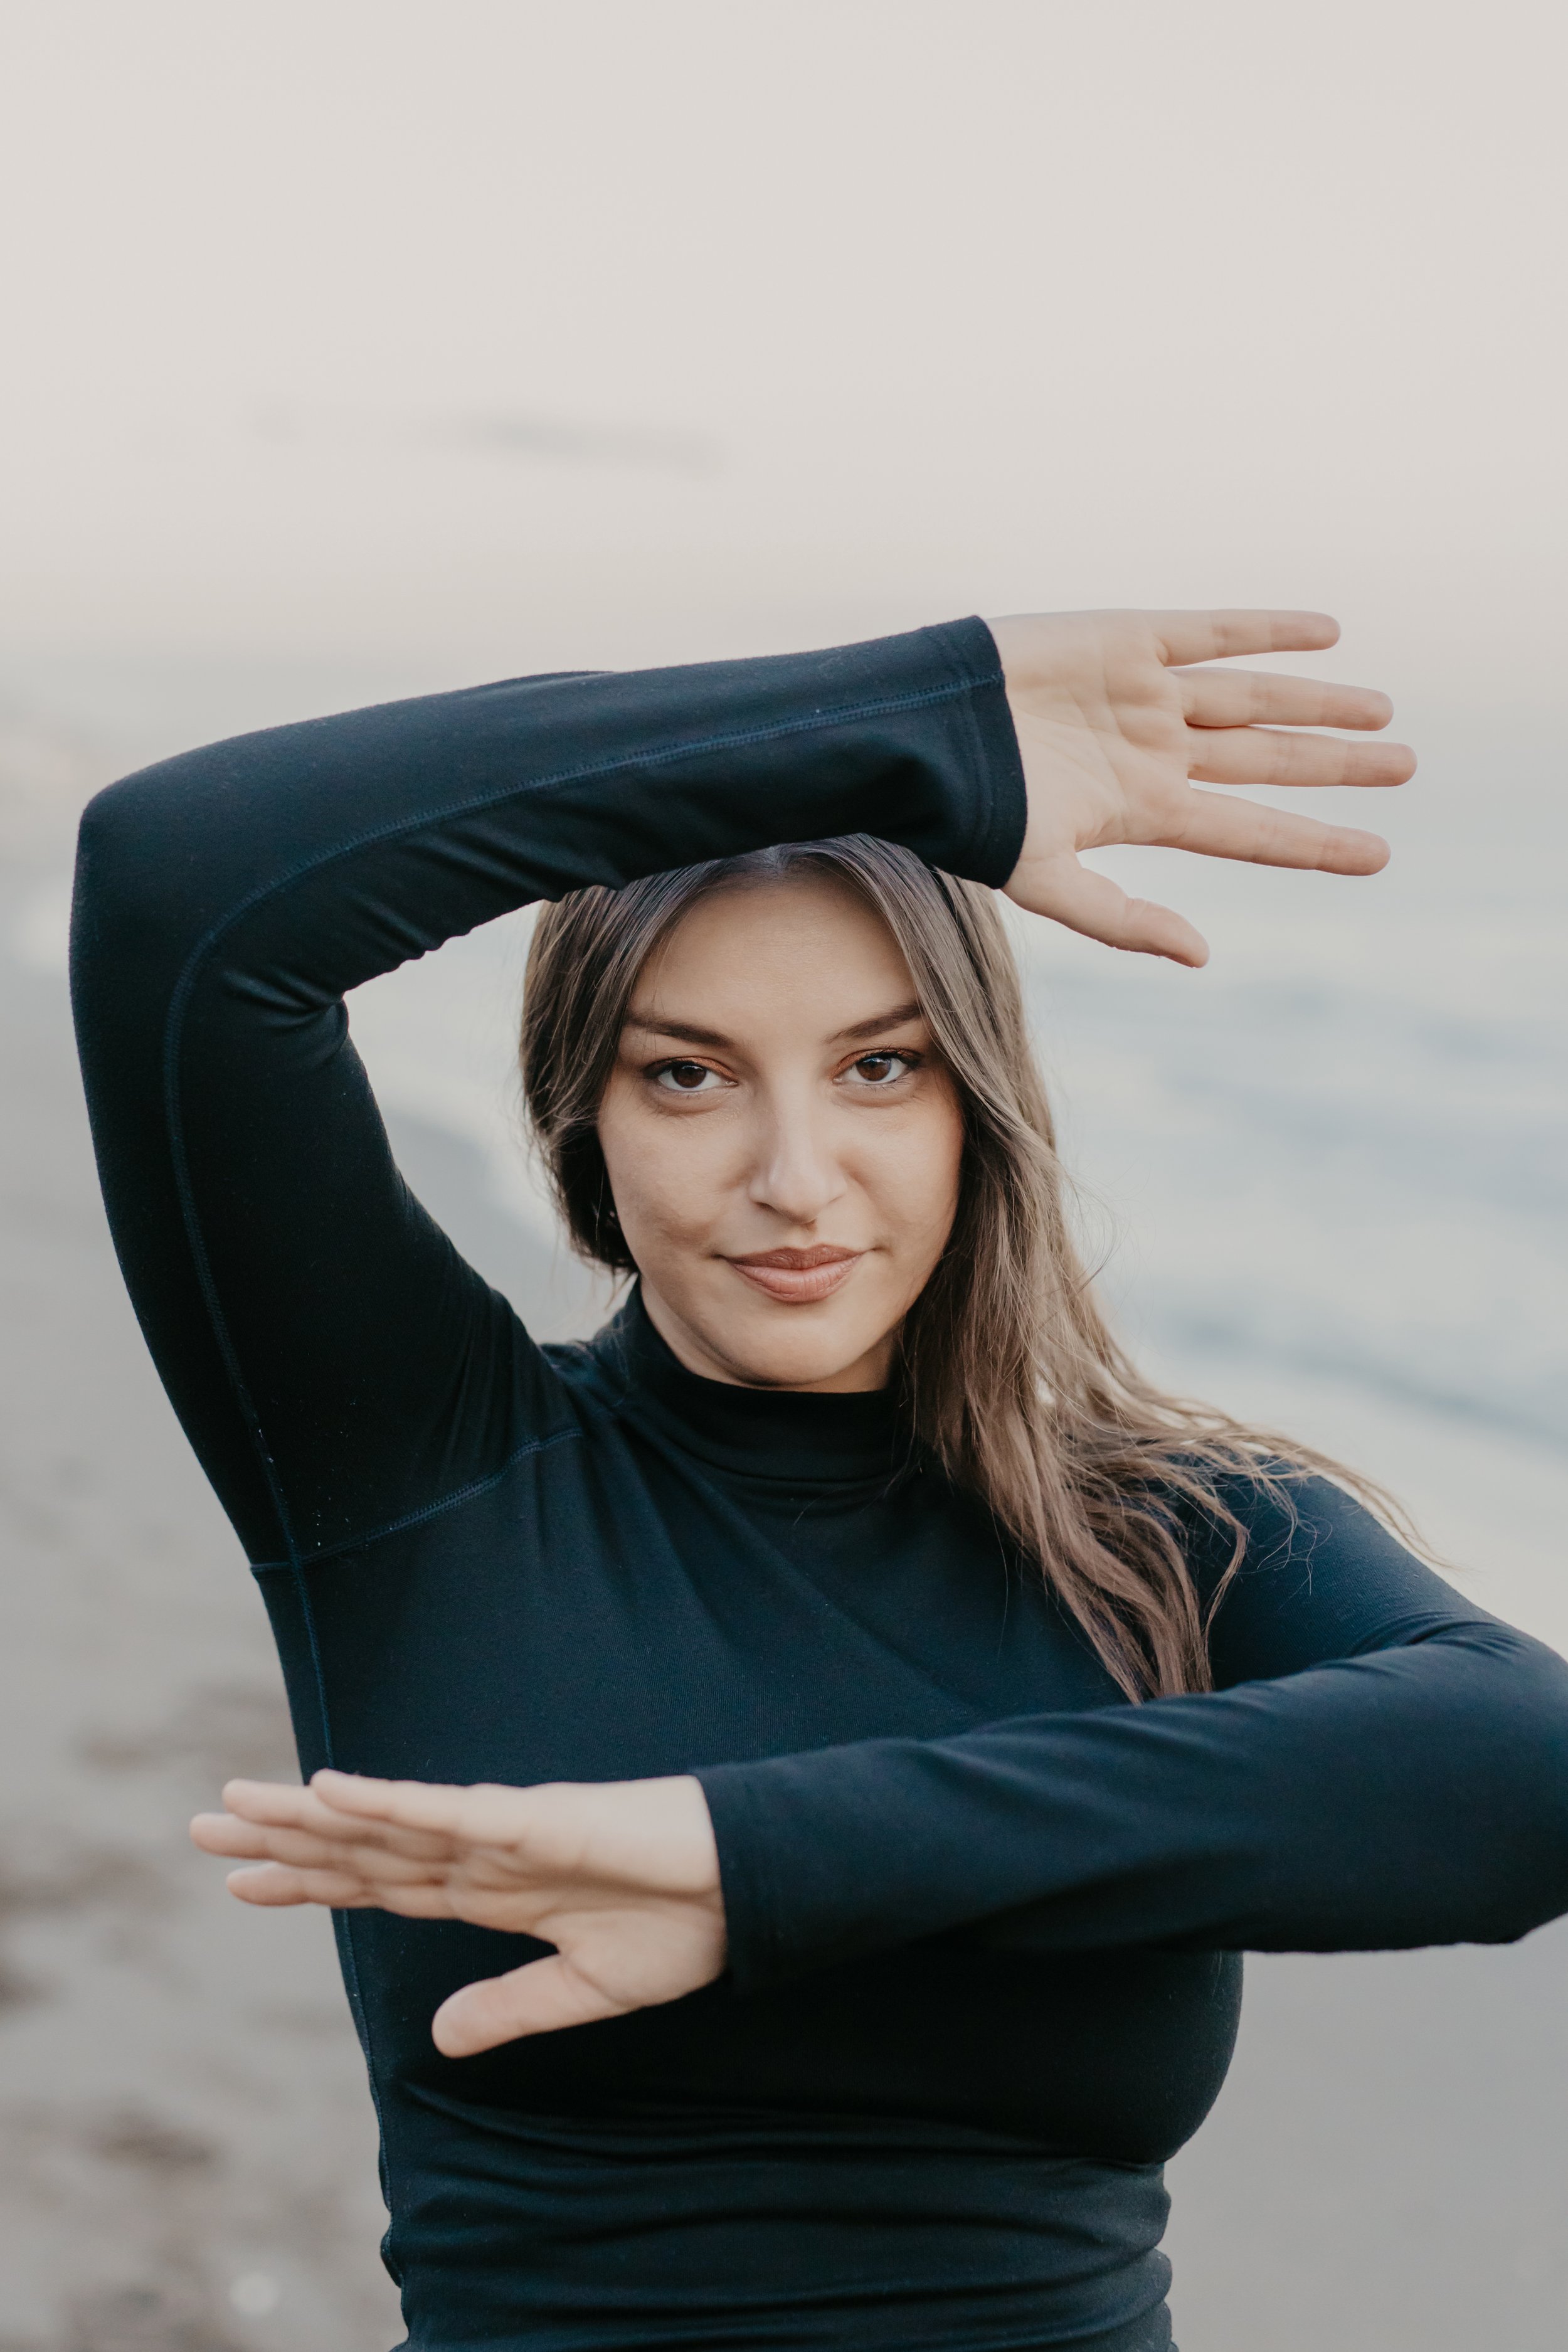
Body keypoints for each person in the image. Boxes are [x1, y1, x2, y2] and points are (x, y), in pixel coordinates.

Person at [71, 609, 1568, 2352]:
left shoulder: (1165, 1530)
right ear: (579, 1127)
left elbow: (1515, 1773)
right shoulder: (422, 1466)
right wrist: (930, 729)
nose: (797, 1177)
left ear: (973, 1108)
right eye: (686, 1074)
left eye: (878, 1066)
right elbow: (183, 885)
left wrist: (740, 1862)